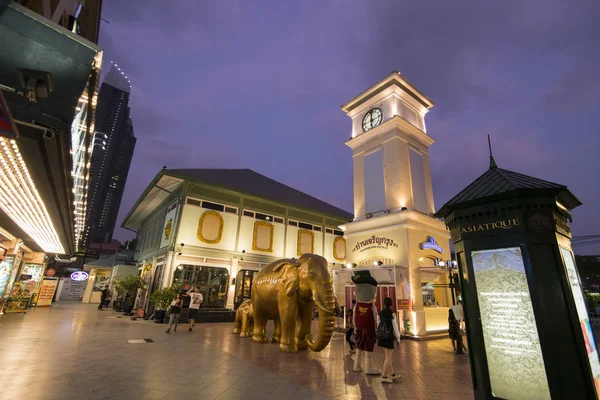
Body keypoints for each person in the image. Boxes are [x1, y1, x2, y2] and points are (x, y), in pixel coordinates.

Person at [378, 297, 401, 383]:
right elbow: (395, 327)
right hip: (389, 337)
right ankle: (383, 376)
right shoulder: (392, 314)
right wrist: (398, 338)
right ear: (391, 304)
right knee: (388, 357)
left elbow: (378, 324)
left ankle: (392, 374)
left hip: (382, 336)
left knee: (388, 356)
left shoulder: (381, 313)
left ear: (384, 304)